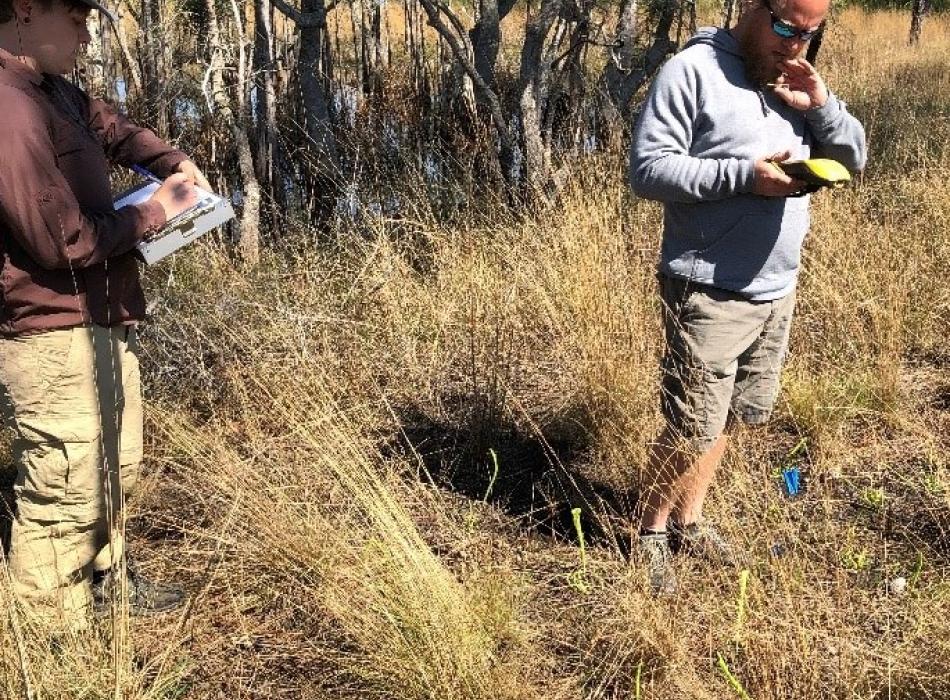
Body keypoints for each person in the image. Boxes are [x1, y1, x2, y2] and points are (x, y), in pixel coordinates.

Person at [629, 0, 866, 594]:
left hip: (776, 286)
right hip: (708, 287)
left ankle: (690, 519)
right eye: (787, 28)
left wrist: (824, 108)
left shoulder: (797, 77)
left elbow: (853, 158)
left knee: (733, 414)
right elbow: (648, 170)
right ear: (753, 9)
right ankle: (650, 532)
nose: (796, 45)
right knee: (691, 424)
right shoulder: (691, 71)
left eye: (811, 34)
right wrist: (745, 176)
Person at [0, 0, 211, 626]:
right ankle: (50, 634)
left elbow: (111, 125)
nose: (88, 35)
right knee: (66, 486)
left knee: (115, 461)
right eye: (78, 18)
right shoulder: (9, 108)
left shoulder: (51, 90)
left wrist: (169, 163)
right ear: (25, 10)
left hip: (99, 318)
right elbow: (61, 243)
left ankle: (106, 577)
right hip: (49, 330)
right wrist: (156, 212)